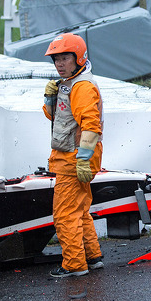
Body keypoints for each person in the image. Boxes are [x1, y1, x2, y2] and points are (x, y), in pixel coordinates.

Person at [42, 33, 104, 278]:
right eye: (56, 59)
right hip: (74, 158)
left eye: (65, 58)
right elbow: (57, 119)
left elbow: (91, 125)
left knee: (65, 214)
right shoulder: (71, 83)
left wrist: (83, 159)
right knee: (80, 211)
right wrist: (51, 98)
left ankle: (74, 265)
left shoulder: (82, 87)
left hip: (73, 160)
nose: (59, 64)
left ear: (79, 58)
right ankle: (92, 256)